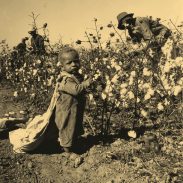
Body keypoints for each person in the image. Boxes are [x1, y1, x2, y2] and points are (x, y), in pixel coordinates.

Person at [55, 47, 92, 153]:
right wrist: (86, 83)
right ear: (62, 66)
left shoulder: (75, 76)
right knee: (67, 126)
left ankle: (74, 143)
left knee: (75, 125)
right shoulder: (65, 79)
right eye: (69, 63)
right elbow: (76, 90)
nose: (73, 65)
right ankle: (67, 148)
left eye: (76, 61)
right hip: (67, 110)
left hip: (74, 107)